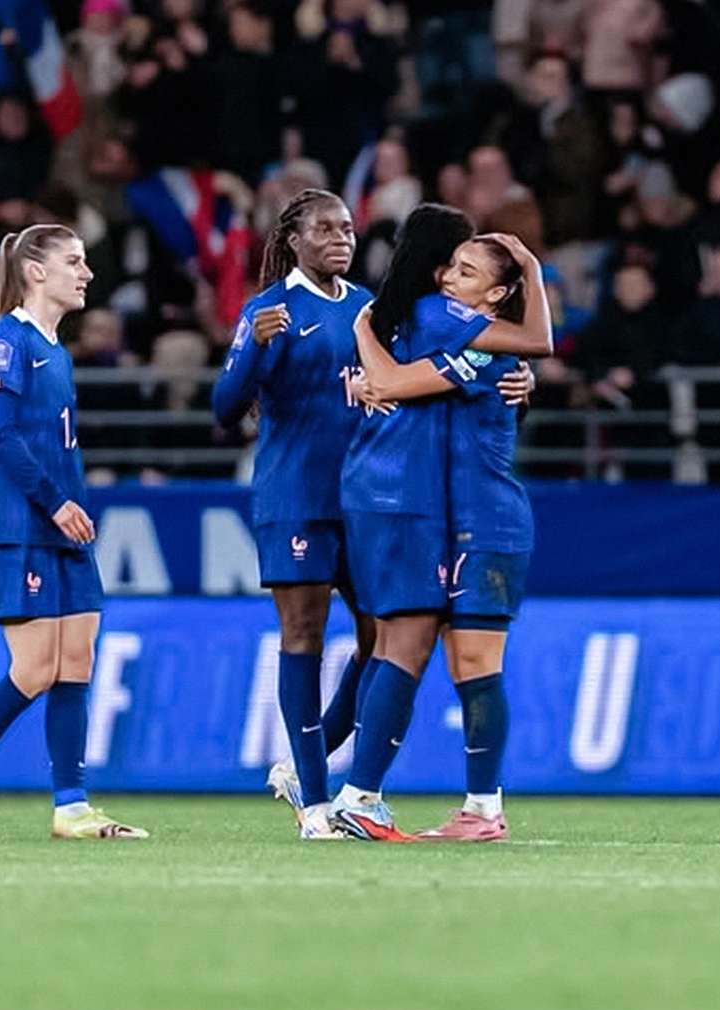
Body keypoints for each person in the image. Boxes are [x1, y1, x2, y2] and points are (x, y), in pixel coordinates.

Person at [0, 225, 146, 841]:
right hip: (22, 528)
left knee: (77, 661)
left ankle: (71, 806)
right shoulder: (6, 340)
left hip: (64, 529)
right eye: (74, 261)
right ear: (36, 271)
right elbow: (1, 439)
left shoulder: (56, 350)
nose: (87, 273)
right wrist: (56, 502)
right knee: (36, 668)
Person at [331, 206, 551, 840]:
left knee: (473, 663)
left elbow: (392, 382)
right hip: (450, 522)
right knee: (441, 657)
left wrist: (365, 330)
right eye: (452, 266)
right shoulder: (470, 342)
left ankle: (477, 808)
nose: (450, 278)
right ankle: (408, 800)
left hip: (488, 523)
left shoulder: (478, 346)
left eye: (467, 271)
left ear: (498, 295)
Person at [210, 189, 377, 840]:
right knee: (303, 633)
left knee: (386, 638)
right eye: (325, 229)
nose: (341, 239)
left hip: (364, 499)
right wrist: (254, 348)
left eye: (347, 229)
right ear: (294, 241)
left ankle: (302, 766)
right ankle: (315, 805)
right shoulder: (270, 310)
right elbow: (225, 408)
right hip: (297, 498)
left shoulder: (368, 308)